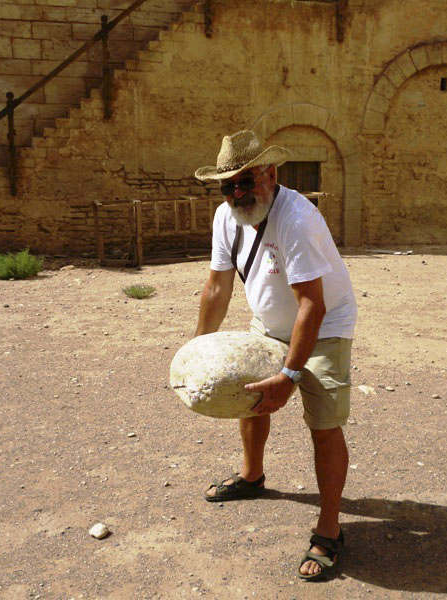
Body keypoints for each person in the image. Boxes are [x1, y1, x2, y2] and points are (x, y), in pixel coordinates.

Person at [192, 130, 358, 581]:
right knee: (247, 391)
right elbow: (217, 286)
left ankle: (329, 530)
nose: (237, 193)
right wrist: (198, 350)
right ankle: (252, 476)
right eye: (228, 186)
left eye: (246, 181)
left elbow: (312, 305)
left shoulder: (297, 219)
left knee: (323, 425)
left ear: (270, 173)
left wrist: (289, 374)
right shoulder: (227, 218)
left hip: (324, 327)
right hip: (270, 322)